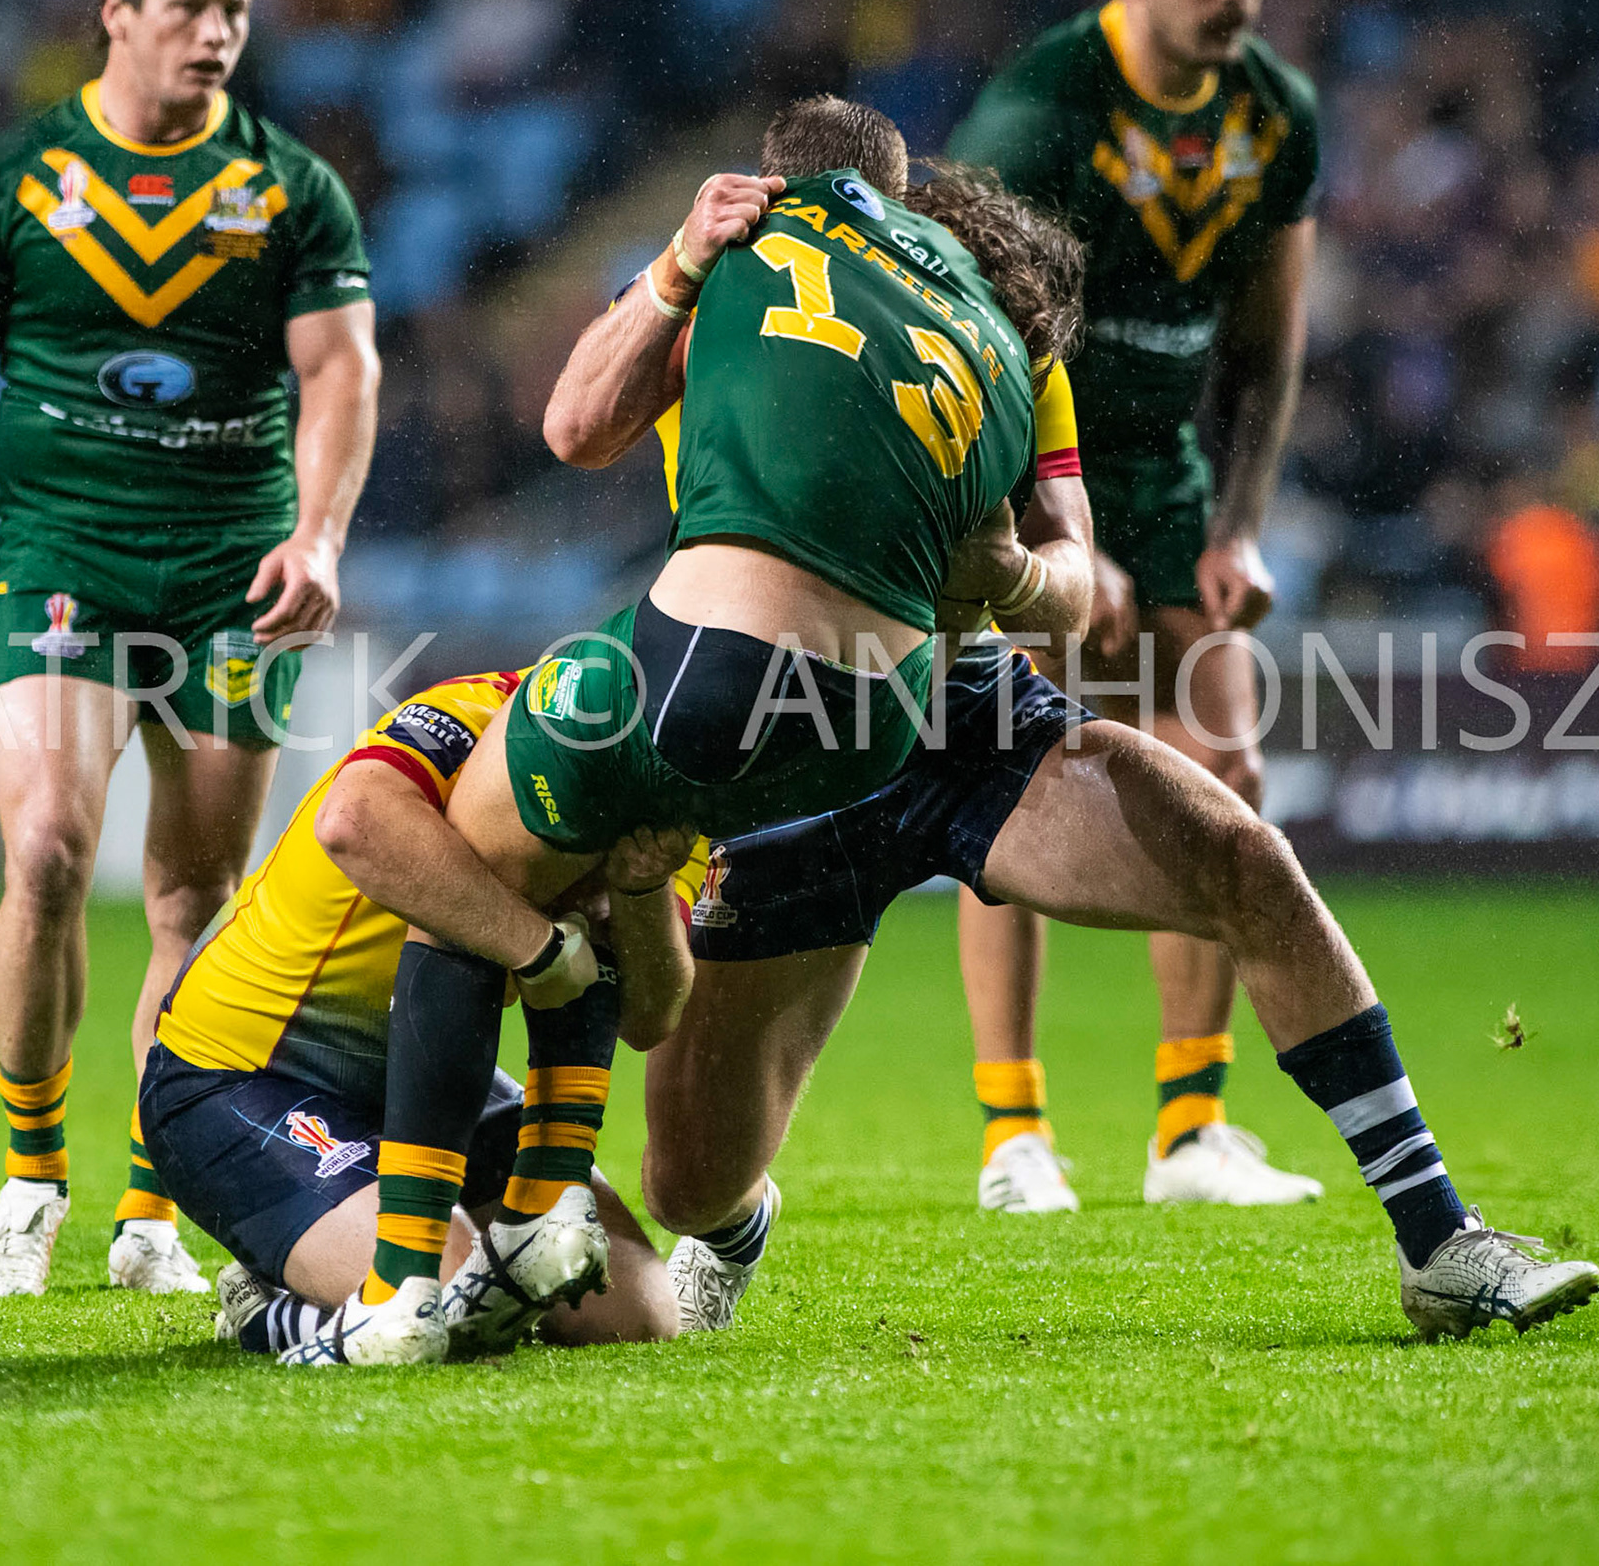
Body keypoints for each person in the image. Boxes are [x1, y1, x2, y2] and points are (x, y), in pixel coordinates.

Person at [320, 98, 1092, 1366]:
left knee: (476, 880)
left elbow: (572, 432)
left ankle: (419, 1274)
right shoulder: (979, 326)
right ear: (898, 201)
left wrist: (676, 264)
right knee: (646, 982)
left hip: (715, 674)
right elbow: (1071, 572)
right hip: (872, 719)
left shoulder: (730, 266)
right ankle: (589, 1213)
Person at [0, 0, 379, 1296]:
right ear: (116, 14)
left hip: (234, 575)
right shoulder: (16, 178)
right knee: (43, 848)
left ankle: (154, 1198)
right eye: (188, 10)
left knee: (194, 897)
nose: (217, 35)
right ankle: (30, 1175)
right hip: (64, 570)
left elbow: (343, 373)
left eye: (233, 12)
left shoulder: (289, 188)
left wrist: (325, 533)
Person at [640, 640, 1599, 1346]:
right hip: (787, 738)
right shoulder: (720, 355)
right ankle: (738, 1221)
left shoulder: (997, 360)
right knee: (685, 1188)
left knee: (1244, 859)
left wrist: (1018, 567)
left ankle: (1437, 1236)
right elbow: (581, 428)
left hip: (966, 712)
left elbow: (1066, 571)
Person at [947, 0, 1323, 1209]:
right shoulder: (1048, 106)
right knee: (1008, 786)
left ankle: (1187, 1131)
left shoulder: (1277, 115)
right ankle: (1014, 1135)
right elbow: (964, 324)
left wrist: (1240, 524)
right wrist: (1049, 524)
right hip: (1020, 460)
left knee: (1227, 766)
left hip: (1162, 477)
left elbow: (1270, 350)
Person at [135, 670, 695, 1362]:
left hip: (427, 1069)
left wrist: (643, 886)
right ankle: (266, 1307)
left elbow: (650, 1015)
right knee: (443, 1298)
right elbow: (353, 823)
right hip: (239, 1072)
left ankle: (323, 1253)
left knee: (635, 1313)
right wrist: (539, 948)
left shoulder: (679, 777)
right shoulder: (481, 711)